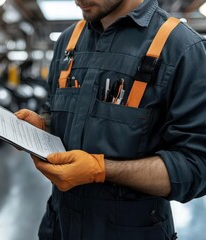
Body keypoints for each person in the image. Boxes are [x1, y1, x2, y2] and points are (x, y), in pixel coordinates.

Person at [15, 0, 206, 239]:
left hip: (130, 230)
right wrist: (42, 125)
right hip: (59, 226)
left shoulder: (181, 47)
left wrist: (100, 170)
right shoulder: (68, 41)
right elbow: (55, 111)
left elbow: (196, 166)